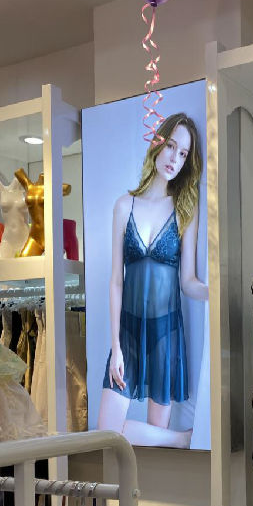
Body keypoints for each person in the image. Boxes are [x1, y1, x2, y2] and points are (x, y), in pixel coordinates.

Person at [98, 113, 208, 448]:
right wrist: (116, 346)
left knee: (152, 450)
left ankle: (175, 445)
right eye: (171, 146)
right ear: (158, 144)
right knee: (106, 433)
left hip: (165, 333)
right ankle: (182, 439)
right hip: (128, 334)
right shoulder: (124, 206)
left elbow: (188, 281)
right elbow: (116, 281)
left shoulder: (185, 208)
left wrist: (214, 291)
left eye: (183, 153)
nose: (175, 158)